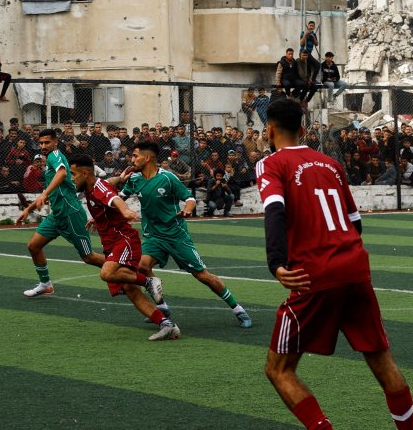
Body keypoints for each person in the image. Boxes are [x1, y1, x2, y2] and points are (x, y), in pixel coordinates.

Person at [257, 97, 413, 430]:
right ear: (304, 129)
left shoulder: (271, 163)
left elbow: (275, 210)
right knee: (381, 358)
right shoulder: (330, 164)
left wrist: (276, 263)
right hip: (354, 265)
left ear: (269, 130)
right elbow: (355, 220)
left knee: (278, 368)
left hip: (314, 273)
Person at [111, 141, 252, 327]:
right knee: (142, 268)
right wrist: (102, 214)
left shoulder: (168, 178)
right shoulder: (134, 179)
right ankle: (162, 307)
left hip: (175, 235)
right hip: (153, 236)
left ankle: (238, 309)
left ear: (147, 158)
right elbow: (118, 199)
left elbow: (190, 198)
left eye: (135, 156)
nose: (132, 159)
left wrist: (187, 209)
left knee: (202, 276)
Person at [66, 155, 179, 340]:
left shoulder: (99, 188)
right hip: (112, 244)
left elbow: (113, 198)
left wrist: (125, 210)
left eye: (73, 174)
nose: (71, 178)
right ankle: (167, 325)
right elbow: (108, 184)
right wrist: (119, 179)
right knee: (129, 289)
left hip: (124, 240)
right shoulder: (92, 186)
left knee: (106, 273)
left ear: (85, 173)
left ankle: (149, 281)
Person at [14, 129, 101, 297]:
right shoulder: (49, 164)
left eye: (47, 142)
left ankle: (124, 274)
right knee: (34, 246)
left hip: (71, 214)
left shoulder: (56, 156)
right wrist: (28, 209)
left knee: (89, 257)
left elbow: (62, 173)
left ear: (55, 142)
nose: (43, 146)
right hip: (57, 215)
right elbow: (52, 192)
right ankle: (45, 284)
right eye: (41, 143)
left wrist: (44, 194)